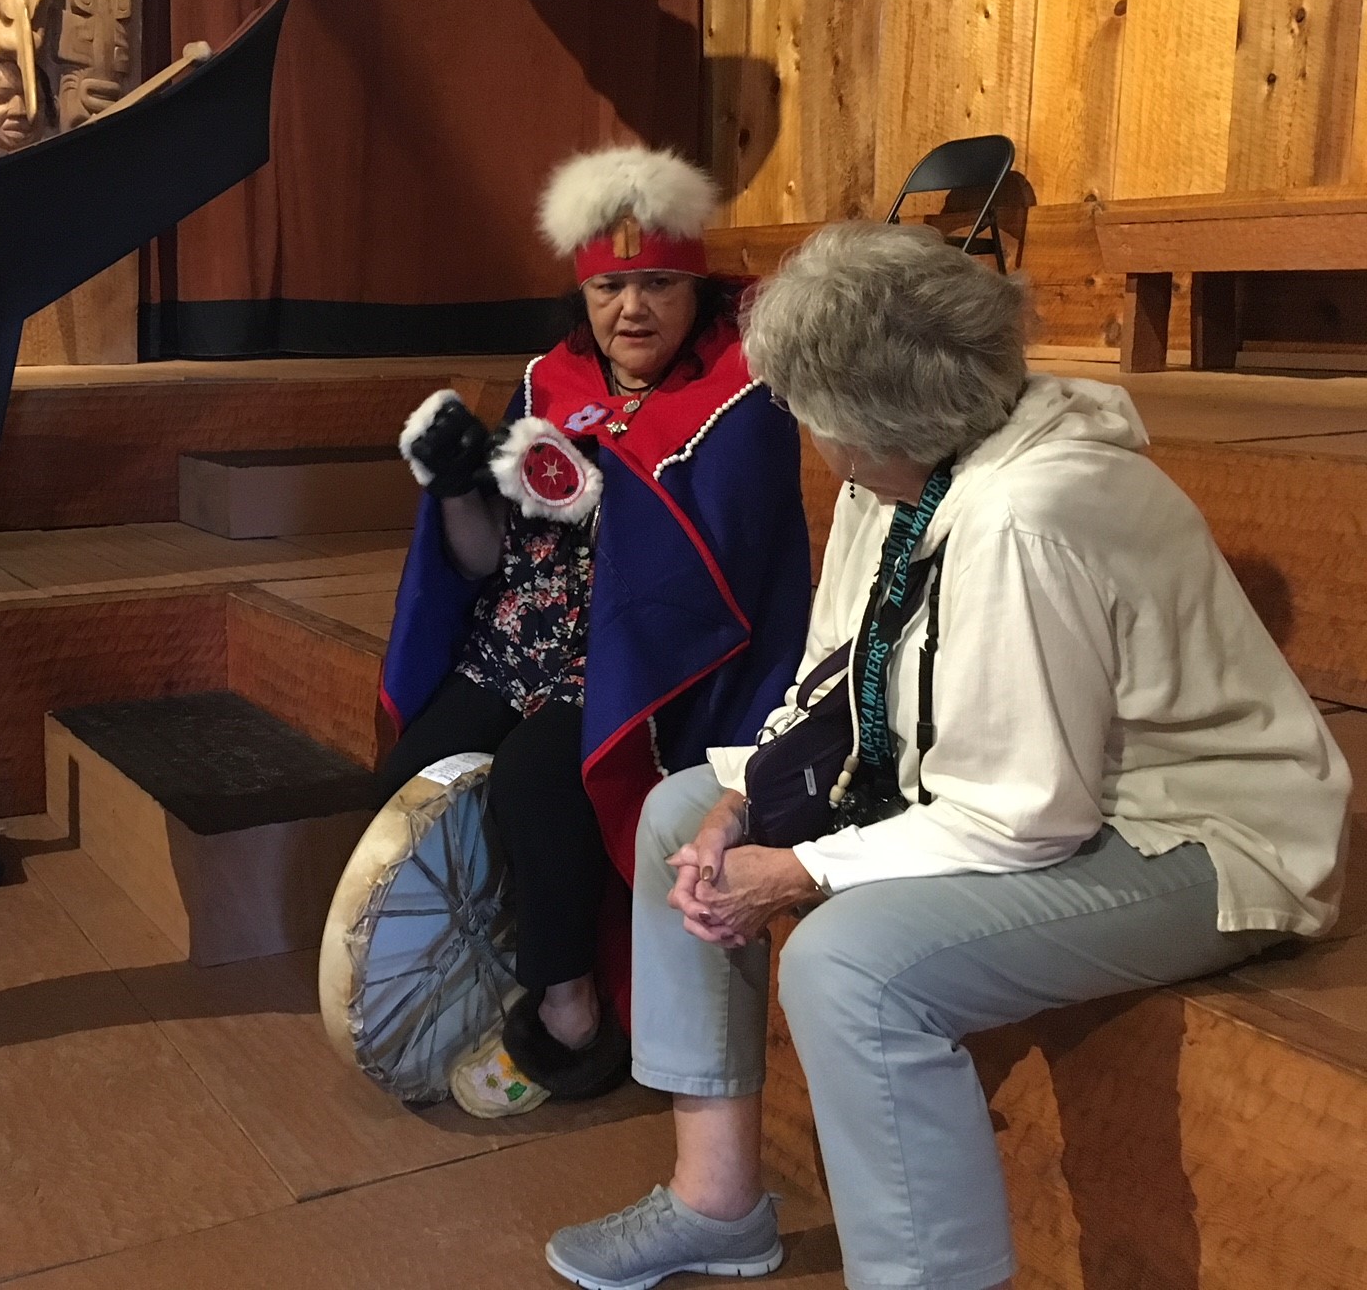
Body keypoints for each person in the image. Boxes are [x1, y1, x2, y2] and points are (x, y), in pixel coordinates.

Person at [545, 222, 1352, 1289]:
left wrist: (795, 871)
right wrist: (736, 810)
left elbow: (1026, 812)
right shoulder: (904, 474)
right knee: (672, 814)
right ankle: (717, 1200)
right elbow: (833, 683)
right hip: (1033, 788)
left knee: (854, 967)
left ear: (870, 415)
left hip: (1192, 836)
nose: (806, 434)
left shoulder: (1027, 513)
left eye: (811, 413)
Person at [379, 146, 812, 1118]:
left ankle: (571, 1014)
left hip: (642, 669)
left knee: (542, 777)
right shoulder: (551, 383)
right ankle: (472, 974)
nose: (633, 308)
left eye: (658, 282)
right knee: (408, 782)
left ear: (693, 285)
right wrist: (456, 486)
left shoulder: (745, 394)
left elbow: (723, 573)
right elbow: (484, 557)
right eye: (611, 285)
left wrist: (617, 493)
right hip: (517, 643)